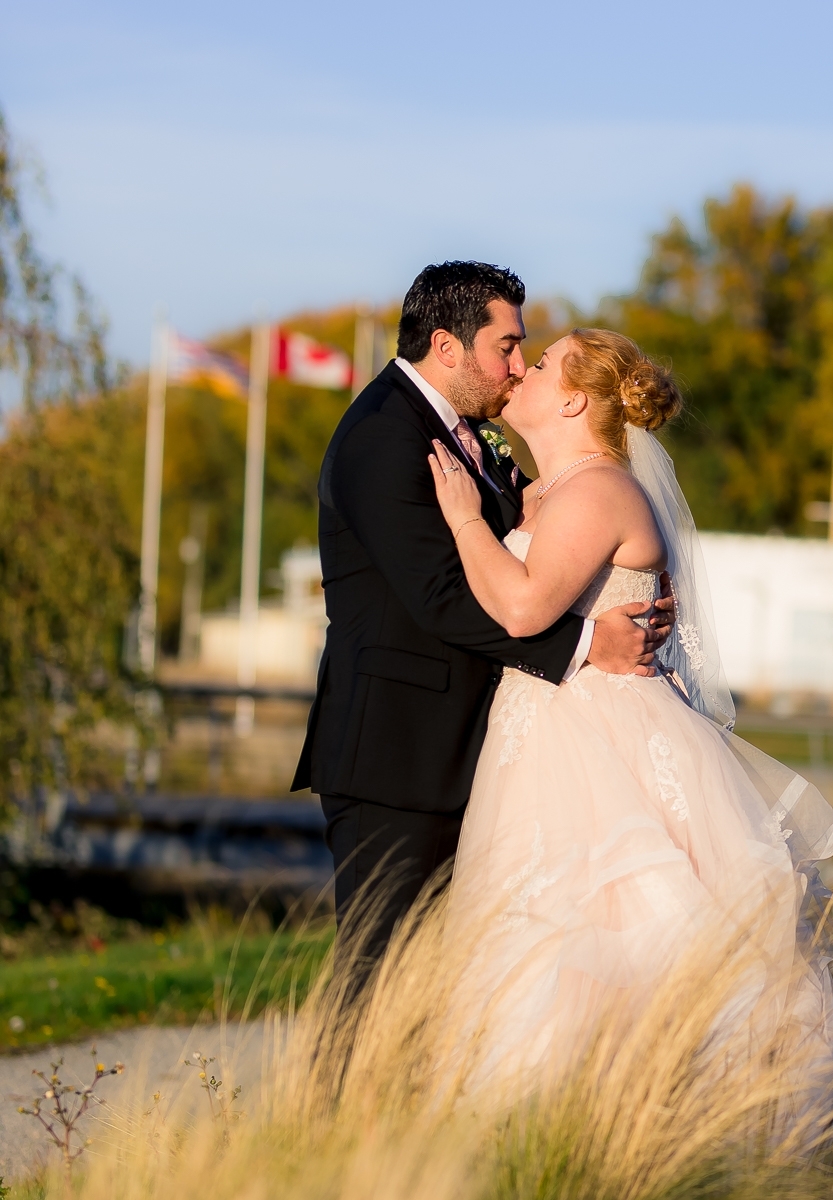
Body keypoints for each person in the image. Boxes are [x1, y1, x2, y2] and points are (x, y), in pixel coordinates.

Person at [425, 327, 833, 1129]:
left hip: (596, 748)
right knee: (538, 937)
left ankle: (647, 1131)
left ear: (574, 396)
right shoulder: (548, 492)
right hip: (542, 735)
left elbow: (523, 606)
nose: (525, 368)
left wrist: (465, 521)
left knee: (619, 925)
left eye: (540, 363)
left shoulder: (598, 492)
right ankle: (549, 1139)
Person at [291, 263, 674, 986]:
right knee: (377, 975)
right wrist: (591, 643)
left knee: (444, 982)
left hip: (472, 750)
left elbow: (547, 548)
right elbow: (438, 596)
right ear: (447, 346)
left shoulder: (465, 432)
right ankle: (332, 1103)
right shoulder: (383, 438)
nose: (518, 365)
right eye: (506, 346)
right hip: (396, 751)